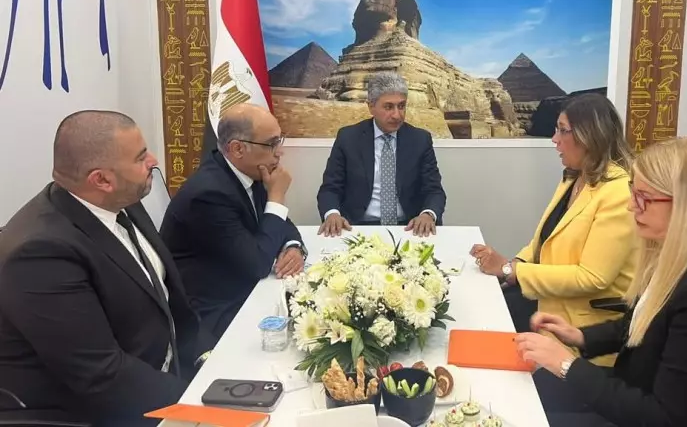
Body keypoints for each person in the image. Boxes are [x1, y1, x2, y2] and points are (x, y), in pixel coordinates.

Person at [516, 137, 687, 427]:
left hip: (648, 414)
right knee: (527, 391)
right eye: (633, 192)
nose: (632, 206)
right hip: (637, 392)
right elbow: (644, 325)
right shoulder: (681, 261)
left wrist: (567, 365)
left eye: (644, 197)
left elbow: (664, 418)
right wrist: (580, 336)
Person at [0, 111, 213, 426]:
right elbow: (101, 374)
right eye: (141, 157)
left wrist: (208, 359)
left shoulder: (122, 198)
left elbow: (169, 300)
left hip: (162, 377)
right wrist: (199, 403)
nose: (153, 161)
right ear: (101, 180)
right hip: (101, 409)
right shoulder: (40, 253)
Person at [470, 93, 637, 366]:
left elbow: (592, 277)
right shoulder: (574, 178)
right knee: (479, 315)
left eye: (562, 130)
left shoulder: (619, 192)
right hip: (550, 307)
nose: (554, 139)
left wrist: (511, 271)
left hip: (584, 331)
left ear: (589, 135)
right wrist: (512, 264)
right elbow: (542, 239)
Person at [161, 103, 306, 342]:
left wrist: (293, 246)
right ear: (238, 149)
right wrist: (277, 196)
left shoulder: (249, 171)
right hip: (212, 311)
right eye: (271, 144)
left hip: (242, 284)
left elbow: (280, 221)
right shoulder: (208, 194)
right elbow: (258, 264)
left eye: (279, 141)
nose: (279, 152)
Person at [316, 72, 446, 237]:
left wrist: (428, 214)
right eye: (388, 107)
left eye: (401, 106)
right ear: (371, 107)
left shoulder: (420, 140)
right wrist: (332, 214)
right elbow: (330, 189)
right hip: (356, 227)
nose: (397, 115)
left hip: (409, 227)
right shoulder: (348, 138)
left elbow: (434, 190)